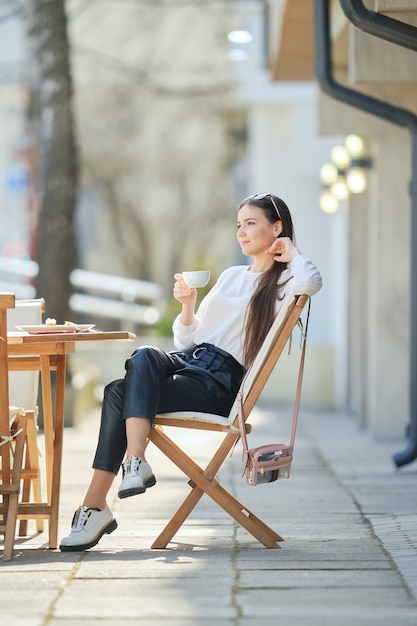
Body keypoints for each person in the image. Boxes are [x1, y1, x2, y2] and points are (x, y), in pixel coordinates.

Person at [60, 192, 322, 551]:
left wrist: (291, 254)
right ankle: (135, 463)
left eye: (251, 224)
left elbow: (311, 283)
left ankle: (94, 507)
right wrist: (187, 307)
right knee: (146, 354)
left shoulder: (282, 283)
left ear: (276, 228)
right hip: (191, 361)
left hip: (218, 384)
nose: (241, 233)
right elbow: (188, 340)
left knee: (118, 393)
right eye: (238, 225)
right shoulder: (231, 276)